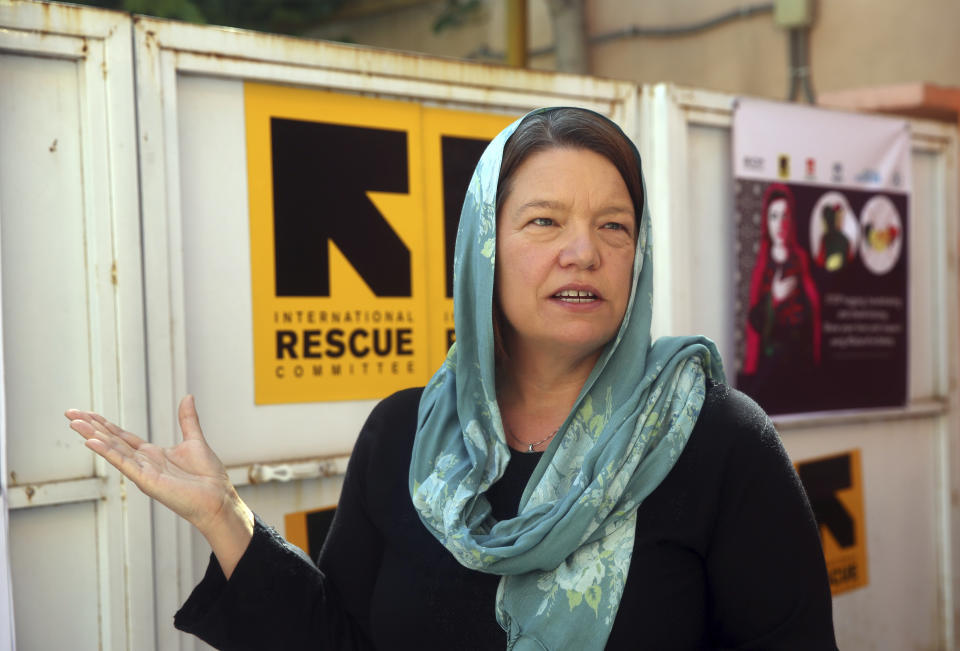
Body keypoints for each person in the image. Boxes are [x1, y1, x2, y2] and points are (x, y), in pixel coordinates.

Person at [66, 108, 837, 650]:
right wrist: (225, 517)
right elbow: (340, 639)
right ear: (482, 250)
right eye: (544, 220)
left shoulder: (716, 442)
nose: (584, 250)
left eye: (615, 225)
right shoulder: (406, 435)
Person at [740, 183, 822, 415]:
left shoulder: (801, 259)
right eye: (774, 216)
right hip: (771, 367)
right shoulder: (761, 264)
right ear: (767, 220)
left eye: (785, 216)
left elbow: (813, 310)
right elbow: (753, 320)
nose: (781, 223)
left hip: (801, 366)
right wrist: (774, 299)